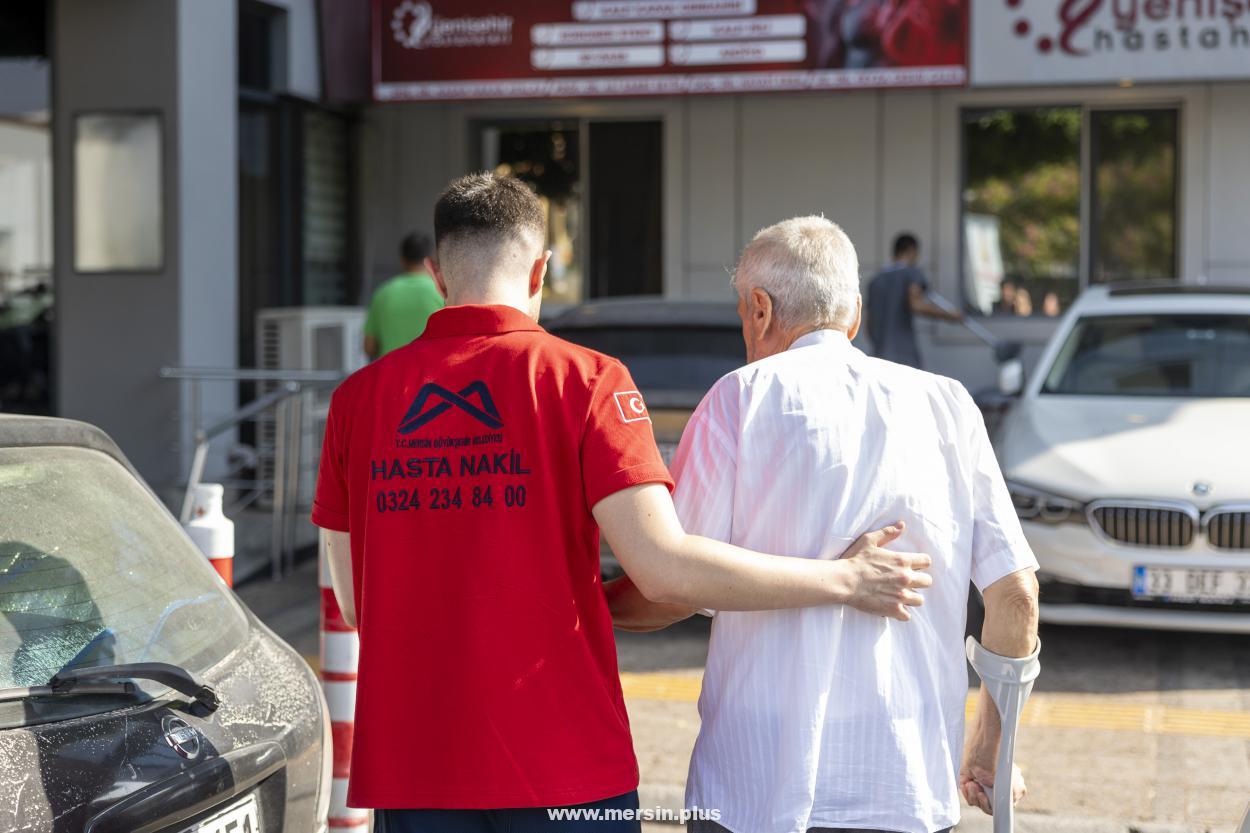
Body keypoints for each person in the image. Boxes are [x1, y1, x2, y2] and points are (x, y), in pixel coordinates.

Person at [311, 174, 935, 833]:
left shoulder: (357, 401)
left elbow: (355, 601)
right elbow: (663, 571)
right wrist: (845, 578)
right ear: (542, 269)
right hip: (562, 765)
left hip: (414, 772)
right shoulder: (585, 379)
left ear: (438, 273)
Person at [608, 217, 1041, 833]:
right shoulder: (950, 405)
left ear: (758, 309)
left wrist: (582, 608)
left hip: (752, 788)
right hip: (908, 787)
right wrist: (990, 746)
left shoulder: (738, 399)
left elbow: (670, 585)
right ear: (855, 316)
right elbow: (1015, 595)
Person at [866, 232, 963, 368]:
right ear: (912, 250)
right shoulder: (911, 273)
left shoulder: (875, 280)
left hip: (879, 356)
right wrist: (950, 315)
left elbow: (869, 325)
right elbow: (916, 305)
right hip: (904, 356)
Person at [362, 232, 445, 360]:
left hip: (391, 375)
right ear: (431, 259)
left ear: (402, 259)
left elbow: (369, 347)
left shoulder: (383, 293)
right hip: (430, 376)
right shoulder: (442, 292)